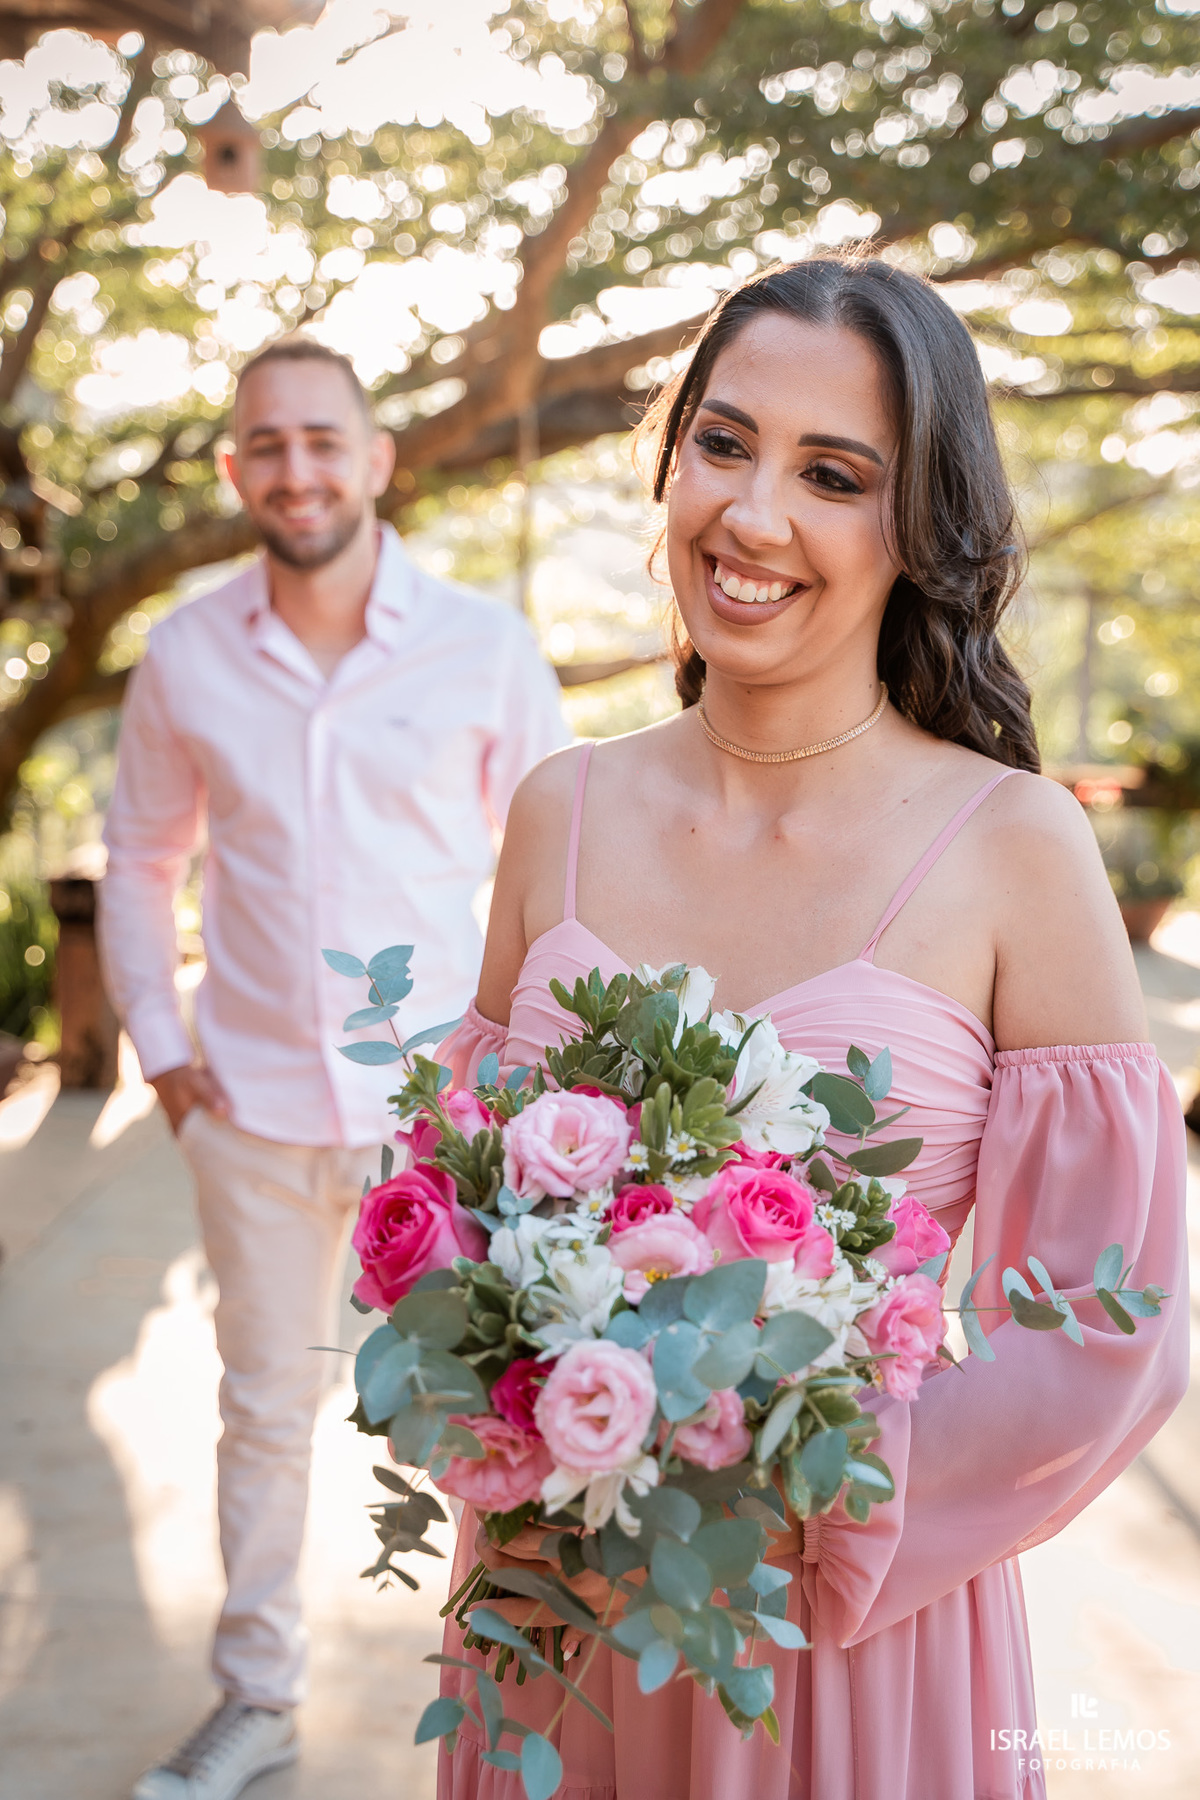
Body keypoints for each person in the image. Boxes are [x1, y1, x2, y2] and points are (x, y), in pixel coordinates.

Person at [432, 257, 1188, 1799]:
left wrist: (805, 1496)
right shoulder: (559, 812)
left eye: (831, 474)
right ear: (668, 465)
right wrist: (509, 1392)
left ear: (918, 529)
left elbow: (1102, 1324)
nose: (752, 515)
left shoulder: (1013, 843)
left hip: (850, 1620)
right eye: (723, 444)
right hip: (555, 1606)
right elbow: (450, 1215)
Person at [98, 334, 568, 1800]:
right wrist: (168, 1067)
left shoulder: (484, 647)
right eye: (267, 445)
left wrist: (534, 1088)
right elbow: (138, 858)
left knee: (497, 1416)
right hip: (248, 1118)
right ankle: (257, 1703)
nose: (296, 467)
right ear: (240, 470)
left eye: (323, 438)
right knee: (261, 1411)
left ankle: (513, 1699)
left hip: (444, 1131)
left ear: (374, 460)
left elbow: (556, 868)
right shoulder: (183, 655)